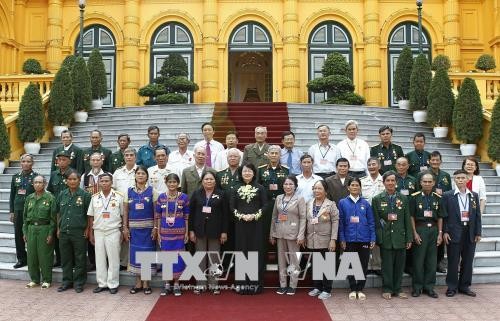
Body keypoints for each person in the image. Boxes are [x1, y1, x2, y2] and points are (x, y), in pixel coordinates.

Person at [372, 171, 412, 300]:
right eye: (387, 180)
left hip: (400, 237)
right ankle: (387, 288)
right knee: (387, 266)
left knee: (400, 265)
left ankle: (398, 289)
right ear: (383, 182)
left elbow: (407, 219)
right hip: (386, 238)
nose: (390, 183)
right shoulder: (377, 199)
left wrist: (409, 238)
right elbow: (377, 221)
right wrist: (379, 238)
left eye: (392, 180)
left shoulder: (403, 198)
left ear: (396, 182)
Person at [443, 169, 482, 298]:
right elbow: (444, 216)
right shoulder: (448, 195)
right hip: (454, 232)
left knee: (468, 260)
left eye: (462, 178)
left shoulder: (474, 195)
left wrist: (478, 232)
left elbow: (477, 216)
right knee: (453, 261)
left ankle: (464, 286)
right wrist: (445, 231)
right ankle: (452, 287)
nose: (460, 180)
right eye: (457, 178)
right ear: (454, 180)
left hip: (470, 232)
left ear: (468, 179)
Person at [230, 163, 267, 294]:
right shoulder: (235, 188)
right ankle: (242, 284)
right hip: (240, 225)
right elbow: (232, 207)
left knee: (255, 252)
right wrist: (241, 216)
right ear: (241, 173)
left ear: (254, 173)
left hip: (256, 225)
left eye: (249, 171)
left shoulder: (260, 188)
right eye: (244, 171)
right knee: (242, 251)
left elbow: (265, 205)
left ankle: (254, 284)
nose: (247, 173)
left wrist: (255, 215)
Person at [189, 171, 228, 294]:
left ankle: (214, 284)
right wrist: (191, 230)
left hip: (215, 230)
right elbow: (191, 214)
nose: (209, 181)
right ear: (202, 181)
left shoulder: (221, 194)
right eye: (206, 179)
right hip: (199, 230)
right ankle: (200, 284)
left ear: (215, 181)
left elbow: (225, 215)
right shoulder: (196, 193)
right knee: (199, 257)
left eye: (211, 179)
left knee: (214, 257)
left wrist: (224, 232)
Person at [122, 166, 158, 295]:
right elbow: (125, 211)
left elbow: (156, 212)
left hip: (148, 230)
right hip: (134, 230)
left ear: (147, 176)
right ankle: (138, 283)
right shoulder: (129, 191)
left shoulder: (153, 191)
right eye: (138, 173)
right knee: (135, 255)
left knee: (147, 255)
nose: (141, 175)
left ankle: (146, 283)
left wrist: (155, 228)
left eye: (143, 173)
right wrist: (125, 228)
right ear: (135, 176)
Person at [338, 177, 375, 300]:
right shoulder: (342, 202)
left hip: (364, 239)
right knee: (351, 264)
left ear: (360, 187)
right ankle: (353, 288)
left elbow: (371, 222)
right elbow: (341, 222)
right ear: (348, 187)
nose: (355, 187)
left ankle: (360, 288)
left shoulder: (365, 203)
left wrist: (372, 238)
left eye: (357, 185)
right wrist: (342, 239)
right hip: (349, 239)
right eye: (352, 185)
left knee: (363, 264)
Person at [87, 173, 125, 294]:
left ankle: (113, 284)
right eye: (102, 181)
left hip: (113, 230)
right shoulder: (94, 197)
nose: (104, 183)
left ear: (111, 182)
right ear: (99, 183)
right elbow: (91, 216)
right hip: (98, 231)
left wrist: (123, 230)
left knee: (114, 258)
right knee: (100, 259)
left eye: (106, 181)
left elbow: (123, 215)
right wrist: (91, 233)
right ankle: (102, 283)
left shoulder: (119, 196)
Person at [269, 175, 306, 295]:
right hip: (280, 233)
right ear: (282, 186)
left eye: (291, 184)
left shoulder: (299, 199)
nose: (288, 186)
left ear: (295, 186)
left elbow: (303, 217)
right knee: (281, 261)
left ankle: (292, 285)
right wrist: (272, 233)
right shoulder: (279, 198)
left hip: (294, 235)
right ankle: (283, 284)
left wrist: (301, 235)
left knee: (294, 261)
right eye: (286, 184)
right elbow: (274, 216)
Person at [56, 170, 91, 293]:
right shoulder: (62, 194)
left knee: (80, 258)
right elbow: (58, 213)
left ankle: (79, 283)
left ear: (79, 180)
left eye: (74, 179)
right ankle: (66, 281)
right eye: (69, 179)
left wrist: (88, 229)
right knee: (65, 258)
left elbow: (89, 215)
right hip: (64, 231)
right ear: (66, 181)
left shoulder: (85, 195)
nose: (72, 181)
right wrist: (58, 228)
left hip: (79, 232)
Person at [156, 173, 190, 297]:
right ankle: (166, 284)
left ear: (178, 183)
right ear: (166, 183)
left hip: (180, 233)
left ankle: (176, 284)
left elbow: (186, 217)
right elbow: (158, 217)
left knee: (178, 258)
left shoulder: (184, 198)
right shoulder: (161, 198)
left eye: (174, 182)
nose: (172, 184)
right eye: (169, 182)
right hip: (165, 233)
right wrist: (159, 232)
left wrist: (186, 232)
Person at [410, 172, 443, 298]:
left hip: (433, 230)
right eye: (425, 181)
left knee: (431, 261)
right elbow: (411, 216)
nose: (427, 184)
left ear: (434, 183)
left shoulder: (438, 198)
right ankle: (417, 287)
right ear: (420, 182)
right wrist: (414, 233)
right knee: (418, 260)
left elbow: (440, 217)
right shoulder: (414, 197)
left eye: (430, 182)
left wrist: (440, 233)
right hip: (420, 229)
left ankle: (429, 287)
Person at [306, 180, 338, 300]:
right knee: (315, 265)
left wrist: (333, 239)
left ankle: (327, 289)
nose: (316, 191)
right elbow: (306, 220)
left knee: (327, 265)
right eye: (315, 188)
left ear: (325, 191)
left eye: (319, 189)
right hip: (312, 239)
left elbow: (335, 222)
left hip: (326, 239)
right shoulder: (309, 203)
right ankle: (317, 287)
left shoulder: (331, 204)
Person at [23, 175, 57, 289]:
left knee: (45, 256)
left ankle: (47, 280)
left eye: (40, 182)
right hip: (31, 229)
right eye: (36, 182)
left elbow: (53, 218)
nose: (38, 184)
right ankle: (34, 279)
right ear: (33, 184)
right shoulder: (29, 198)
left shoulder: (50, 198)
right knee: (31, 256)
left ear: (45, 184)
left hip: (44, 228)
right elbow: (24, 218)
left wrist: (51, 233)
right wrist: (25, 232)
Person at [420, 151, 452, 273]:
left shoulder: (445, 175)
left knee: (440, 238)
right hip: (427, 210)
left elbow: (449, 193)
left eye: (437, 160)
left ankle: (438, 263)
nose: (435, 162)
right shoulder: (423, 174)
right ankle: (423, 263)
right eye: (432, 160)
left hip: (441, 208)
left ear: (440, 161)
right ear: (428, 161)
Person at [9, 154, 37, 269]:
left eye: (28, 161)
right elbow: (12, 195)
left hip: (32, 211)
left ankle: (33, 259)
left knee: (31, 235)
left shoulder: (36, 177)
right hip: (18, 210)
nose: (26, 163)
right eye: (23, 161)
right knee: (18, 235)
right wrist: (12, 211)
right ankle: (21, 259)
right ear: (20, 163)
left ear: (32, 163)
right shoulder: (15, 177)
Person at [258, 145, 289, 243]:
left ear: (280, 155)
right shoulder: (261, 170)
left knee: (280, 227)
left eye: (276, 153)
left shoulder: (286, 170)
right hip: (266, 204)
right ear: (268, 155)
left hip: (281, 205)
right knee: (265, 229)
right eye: (272, 153)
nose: (274, 155)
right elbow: (258, 187)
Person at [48, 150, 73, 268]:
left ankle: (69, 260)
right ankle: (58, 259)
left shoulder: (73, 174)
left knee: (67, 235)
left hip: (69, 209)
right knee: (56, 235)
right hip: (56, 209)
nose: (61, 162)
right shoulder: (54, 174)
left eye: (64, 159)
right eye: (59, 160)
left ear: (69, 161)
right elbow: (50, 190)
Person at [360, 157, 385, 275]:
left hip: (380, 215)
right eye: (369, 165)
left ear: (379, 166)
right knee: (365, 239)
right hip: (364, 214)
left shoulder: (384, 180)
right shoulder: (362, 181)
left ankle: (377, 265)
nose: (371, 167)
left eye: (374, 164)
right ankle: (367, 265)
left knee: (377, 239)